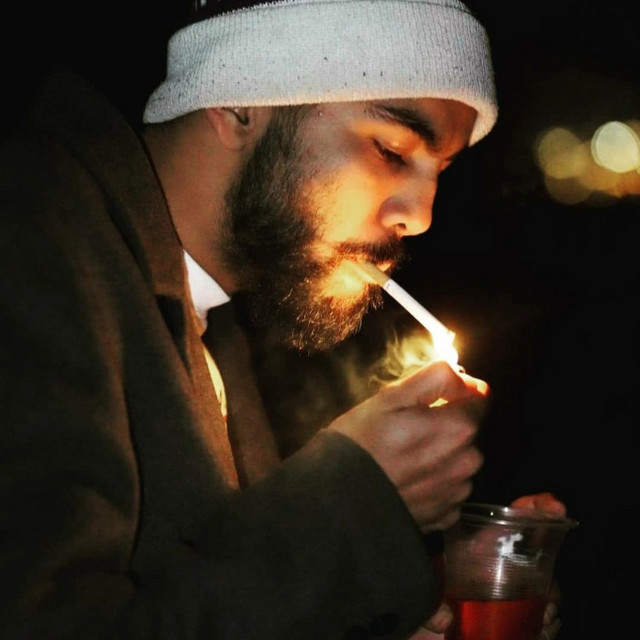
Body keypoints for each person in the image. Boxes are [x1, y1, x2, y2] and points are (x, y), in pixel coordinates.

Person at [0, 1, 565, 638]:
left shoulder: (216, 320)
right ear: (239, 101)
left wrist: (417, 604)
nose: (420, 216)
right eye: (391, 149)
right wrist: (358, 500)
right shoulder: (29, 237)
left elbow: (202, 590)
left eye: (440, 172)